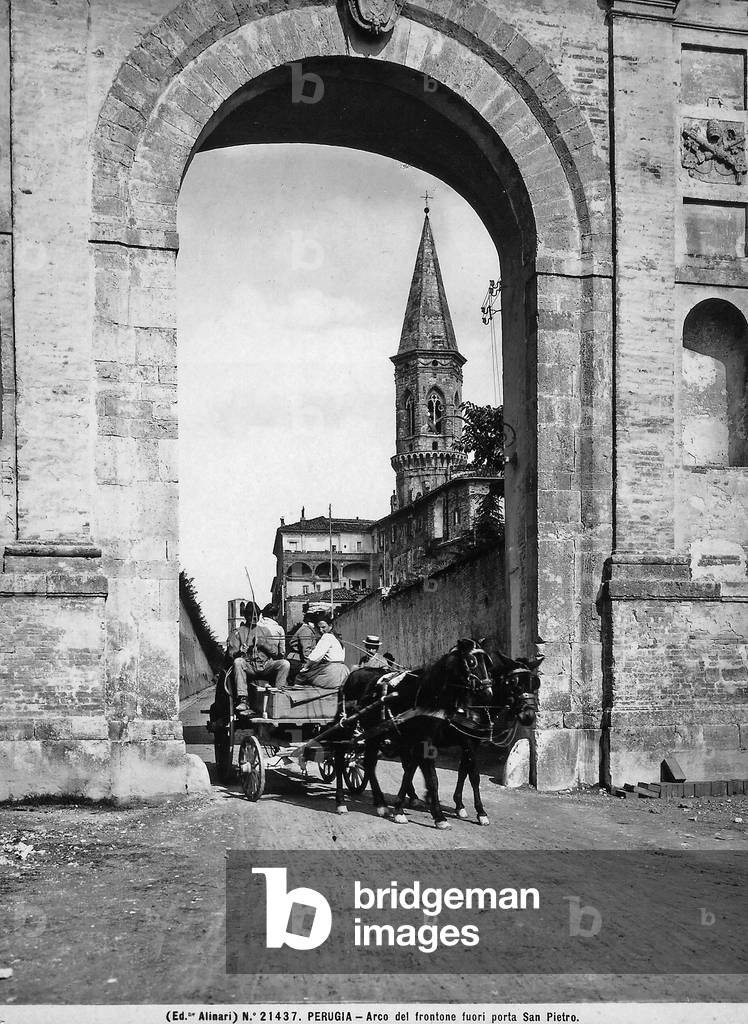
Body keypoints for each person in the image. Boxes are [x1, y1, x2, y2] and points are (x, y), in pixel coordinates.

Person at [230, 604, 291, 714]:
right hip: (249, 667)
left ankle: (278, 696)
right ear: (245, 616)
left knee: (285, 664)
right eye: (251, 615)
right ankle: (243, 699)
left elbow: (276, 653)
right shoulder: (238, 632)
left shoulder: (265, 631)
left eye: (257, 615)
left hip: (265, 665)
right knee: (238, 662)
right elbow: (231, 655)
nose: (254, 618)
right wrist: (241, 652)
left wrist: (264, 644)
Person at [296, 616, 350, 690]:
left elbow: (315, 657)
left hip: (331, 673)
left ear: (330, 626)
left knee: (300, 678)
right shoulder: (338, 639)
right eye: (319, 628)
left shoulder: (326, 636)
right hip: (343, 673)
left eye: (323, 627)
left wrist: (305, 667)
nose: (321, 630)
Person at [287, 611, 319, 683]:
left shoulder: (306, 629)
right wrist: (308, 664)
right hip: (297, 661)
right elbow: (306, 649)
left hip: (296, 660)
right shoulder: (306, 630)